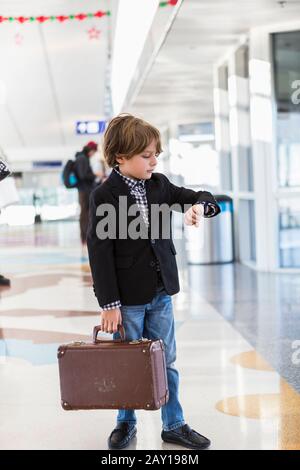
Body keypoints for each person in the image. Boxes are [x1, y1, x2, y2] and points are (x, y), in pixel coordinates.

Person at [87, 114, 221, 450]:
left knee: (167, 360)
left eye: (156, 154)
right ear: (121, 157)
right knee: (127, 364)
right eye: (147, 155)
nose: (154, 160)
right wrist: (109, 305)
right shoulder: (105, 195)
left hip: (161, 294)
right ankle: (125, 422)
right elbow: (99, 254)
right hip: (127, 300)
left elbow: (198, 196)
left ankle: (173, 423)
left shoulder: (160, 185)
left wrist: (199, 209)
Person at [75, 141, 103, 246]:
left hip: (84, 190)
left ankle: (85, 237)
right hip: (84, 191)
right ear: (90, 150)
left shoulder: (81, 158)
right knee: (85, 214)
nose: (93, 154)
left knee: (85, 213)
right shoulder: (82, 158)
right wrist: (95, 174)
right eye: (94, 152)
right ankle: (85, 237)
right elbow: (83, 175)